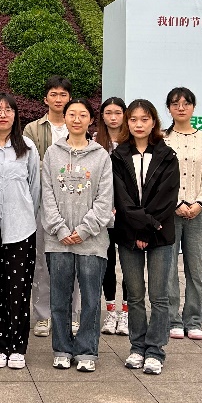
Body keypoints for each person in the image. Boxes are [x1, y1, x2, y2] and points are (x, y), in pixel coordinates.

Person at [41, 99, 114, 372]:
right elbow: (47, 194)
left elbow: (105, 200)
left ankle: (86, 350)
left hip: (92, 241)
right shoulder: (52, 153)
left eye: (82, 115)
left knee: (91, 299)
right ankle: (62, 348)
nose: (76, 119)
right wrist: (60, 229)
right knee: (59, 299)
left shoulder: (101, 156)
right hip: (58, 240)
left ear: (90, 120)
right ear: (65, 117)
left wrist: (83, 230)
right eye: (71, 114)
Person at [111, 99, 179, 376]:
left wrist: (147, 230)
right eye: (133, 119)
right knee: (135, 295)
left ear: (154, 122)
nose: (139, 124)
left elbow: (167, 198)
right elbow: (122, 199)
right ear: (127, 123)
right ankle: (137, 346)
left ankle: (155, 350)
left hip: (160, 234)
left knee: (159, 296)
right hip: (128, 234)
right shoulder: (118, 156)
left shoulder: (167, 155)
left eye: (144, 119)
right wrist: (139, 230)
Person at [0, 93, 40, 369]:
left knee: (18, 290)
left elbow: (35, 188)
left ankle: (17, 347)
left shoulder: (27, 147)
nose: (2, 114)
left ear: (16, 115)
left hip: (21, 229)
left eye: (8, 110)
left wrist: (26, 215)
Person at [163, 87, 202, 342]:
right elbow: (160, 178)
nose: (181, 107)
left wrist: (200, 203)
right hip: (169, 212)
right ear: (169, 108)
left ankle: (194, 320)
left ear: (194, 107)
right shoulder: (161, 139)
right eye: (175, 103)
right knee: (168, 269)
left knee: (197, 268)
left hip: (198, 213)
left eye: (186, 103)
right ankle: (172, 319)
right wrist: (175, 203)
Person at [24, 76, 73, 338]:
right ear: (45, 98)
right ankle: (43, 316)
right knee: (42, 262)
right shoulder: (32, 129)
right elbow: (30, 165)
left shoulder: (78, 125)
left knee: (74, 260)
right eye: (53, 94)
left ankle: (71, 315)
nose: (58, 99)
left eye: (63, 94)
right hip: (43, 202)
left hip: (74, 203)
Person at [95, 97, 129, 337]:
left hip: (127, 214)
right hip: (103, 214)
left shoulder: (132, 142)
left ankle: (125, 312)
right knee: (107, 263)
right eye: (108, 113)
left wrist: (122, 206)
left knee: (128, 264)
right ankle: (110, 312)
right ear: (102, 116)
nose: (113, 117)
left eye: (118, 112)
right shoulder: (95, 142)